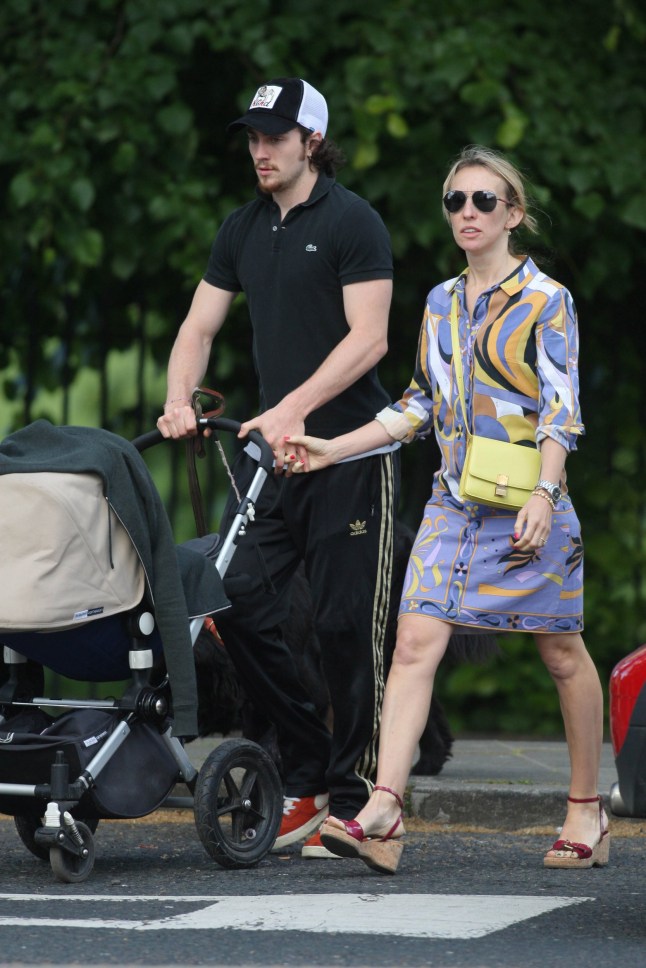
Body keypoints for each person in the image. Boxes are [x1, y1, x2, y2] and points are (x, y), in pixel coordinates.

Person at [286, 145, 607, 875]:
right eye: (455, 201)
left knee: (560, 651)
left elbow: (563, 410)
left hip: (530, 500)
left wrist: (545, 493)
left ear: (512, 214)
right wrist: (335, 448)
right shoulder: (439, 301)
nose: (467, 212)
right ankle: (385, 809)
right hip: (453, 504)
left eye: (483, 201)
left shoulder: (546, 301)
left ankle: (587, 809)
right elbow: (420, 405)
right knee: (414, 643)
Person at [157, 78, 400, 858]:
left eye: (275, 136)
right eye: (252, 137)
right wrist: (176, 399)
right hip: (277, 460)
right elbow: (198, 326)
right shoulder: (241, 228)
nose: (260, 150)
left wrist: (293, 406)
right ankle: (305, 772)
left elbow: (369, 341)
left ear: (311, 143)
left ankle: (357, 802)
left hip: (353, 455)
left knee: (342, 627)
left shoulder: (353, 222)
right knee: (230, 599)